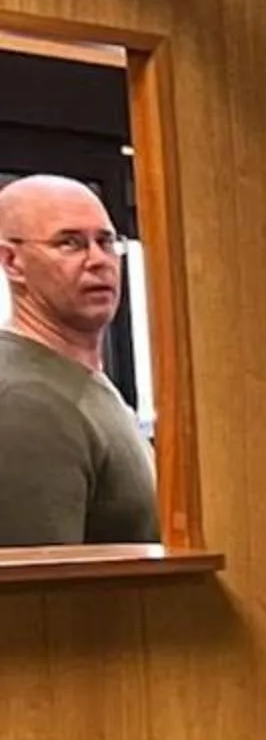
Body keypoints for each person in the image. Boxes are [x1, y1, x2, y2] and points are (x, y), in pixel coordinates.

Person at [0, 173, 161, 547]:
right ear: (12, 262)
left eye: (106, 242)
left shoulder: (79, 381)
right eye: (70, 243)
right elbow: (39, 595)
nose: (99, 261)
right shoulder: (23, 400)